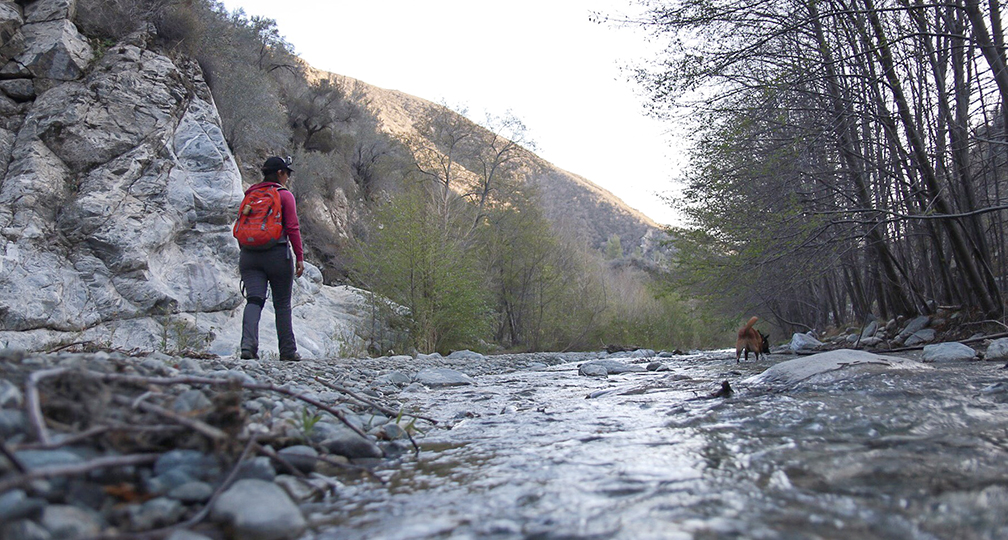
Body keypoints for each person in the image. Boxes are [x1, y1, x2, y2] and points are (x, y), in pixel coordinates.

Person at [239, 156, 305, 361]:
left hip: (249, 255)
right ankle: (287, 351)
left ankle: (247, 347)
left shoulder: (250, 194)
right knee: (282, 303)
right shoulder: (284, 195)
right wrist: (299, 256)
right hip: (277, 254)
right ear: (279, 173)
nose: (287, 177)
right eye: (286, 173)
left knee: (254, 300)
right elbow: (293, 228)